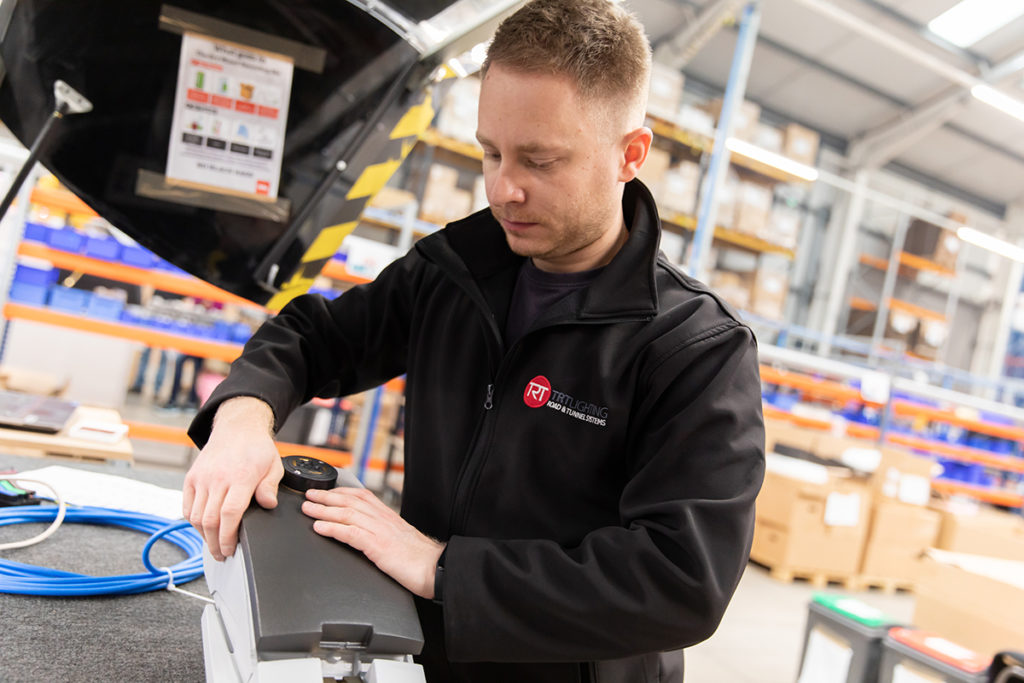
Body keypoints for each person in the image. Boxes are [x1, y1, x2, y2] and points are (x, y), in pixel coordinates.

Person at [183, 1, 765, 680]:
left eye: (541, 160)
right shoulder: (456, 272)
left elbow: (679, 580)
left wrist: (441, 568)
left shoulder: (696, 348)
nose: (504, 189)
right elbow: (314, 336)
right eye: (491, 152)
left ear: (630, 154)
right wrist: (243, 417)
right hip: (422, 657)